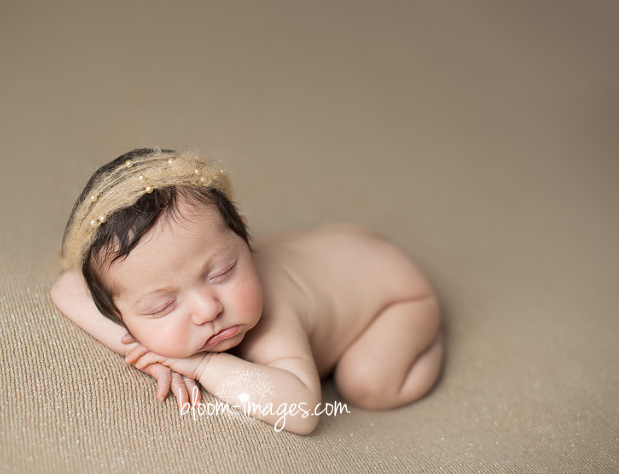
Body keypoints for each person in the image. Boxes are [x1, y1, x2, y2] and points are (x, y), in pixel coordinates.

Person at [51, 148, 443, 434]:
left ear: (241, 230)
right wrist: (145, 353)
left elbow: (303, 411)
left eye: (222, 271)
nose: (207, 309)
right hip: (339, 253)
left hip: (395, 295)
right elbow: (66, 287)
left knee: (367, 383)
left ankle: (434, 329)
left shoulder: (272, 320)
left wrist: (201, 364)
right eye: (162, 305)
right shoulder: (129, 289)